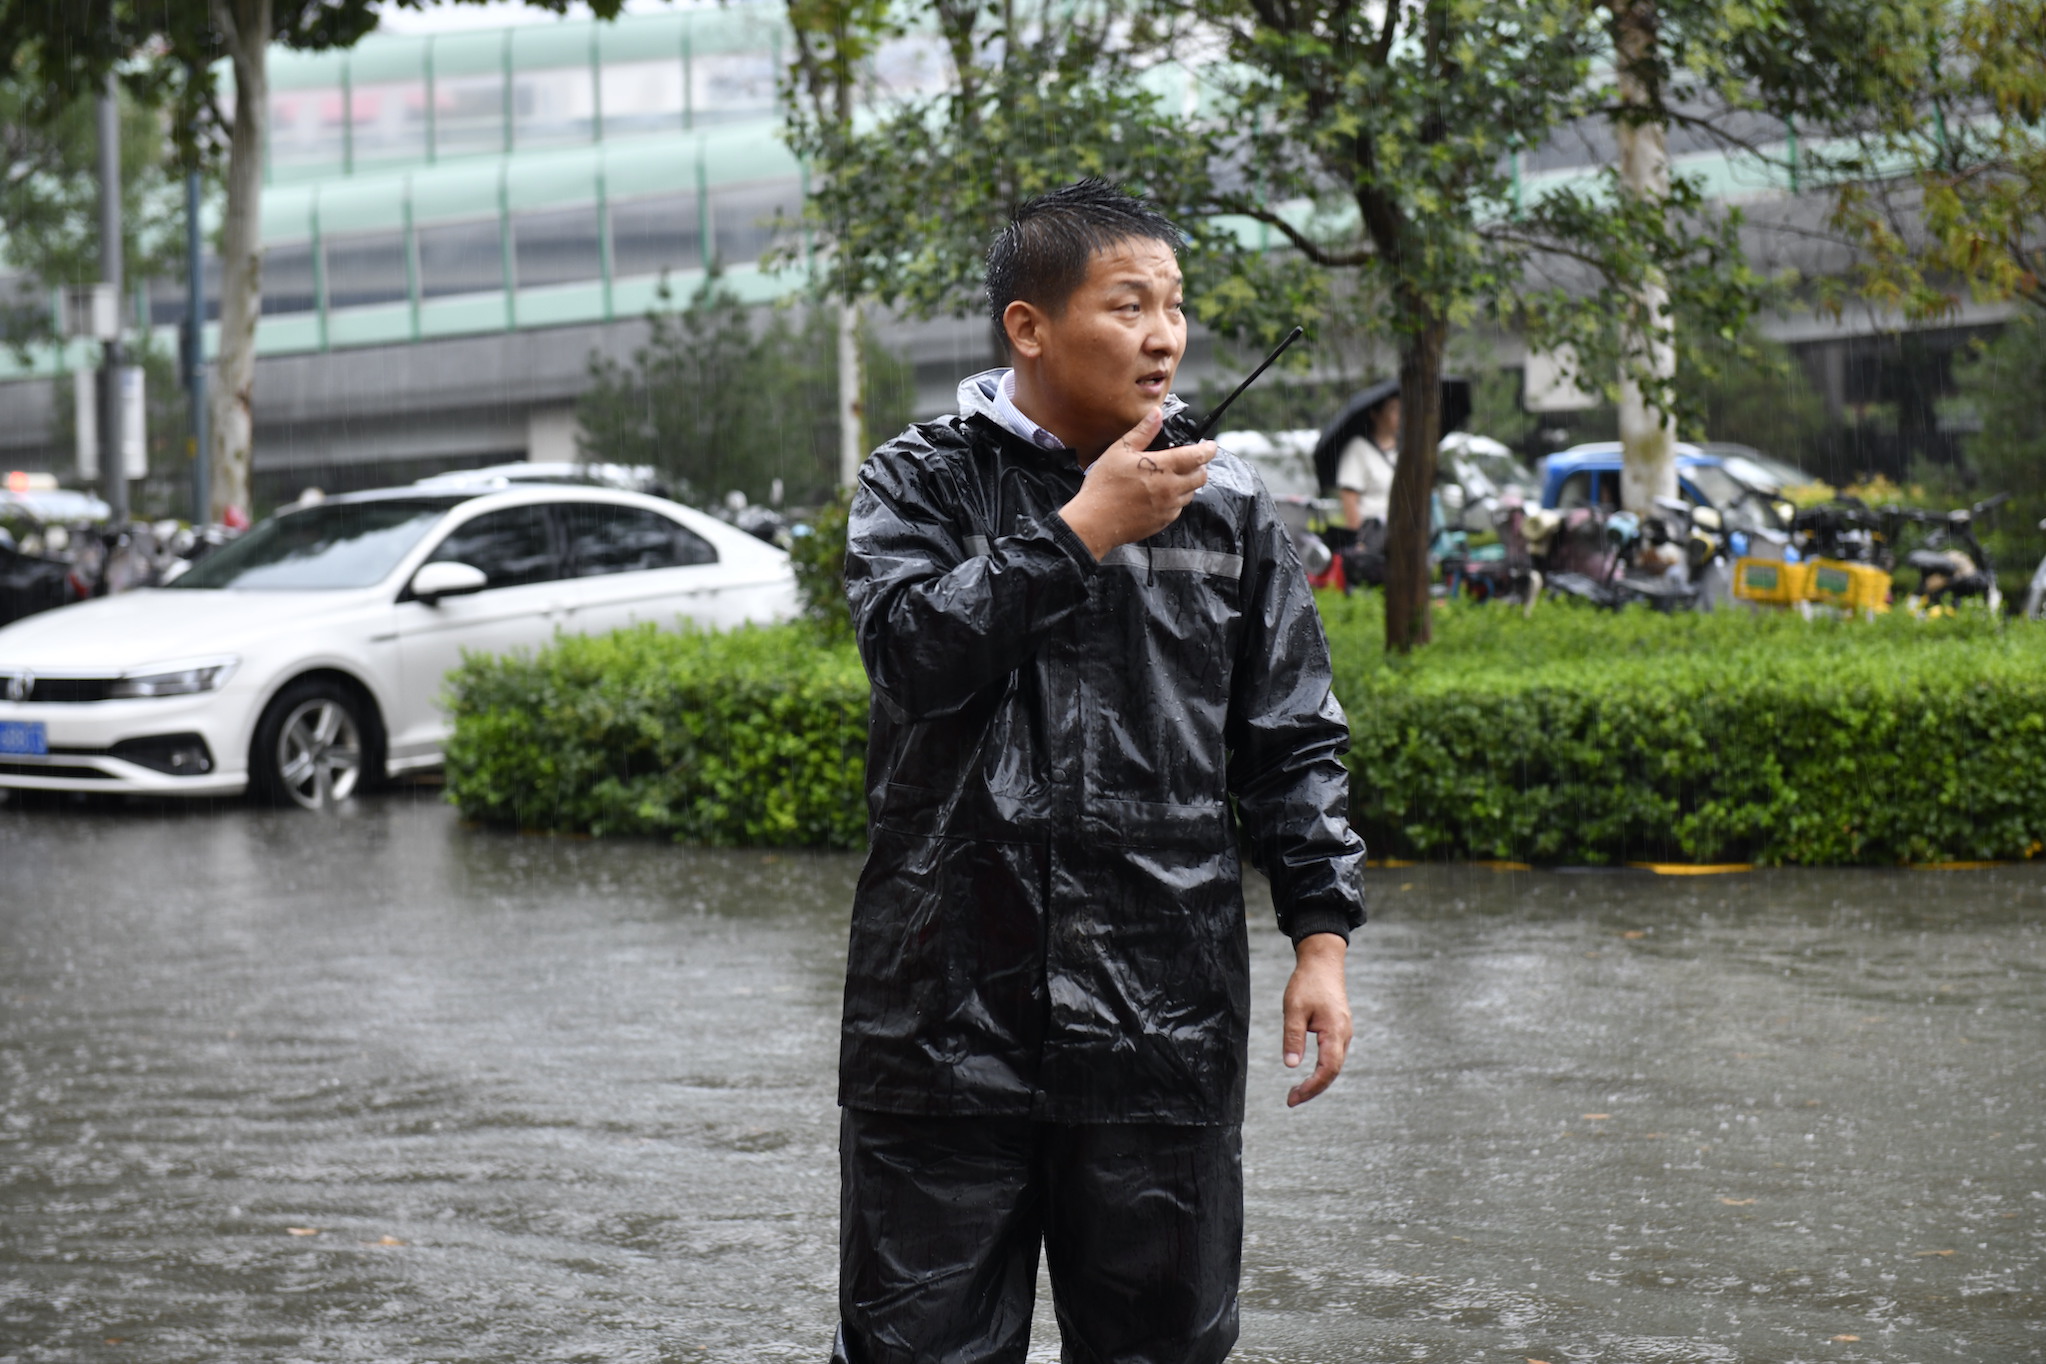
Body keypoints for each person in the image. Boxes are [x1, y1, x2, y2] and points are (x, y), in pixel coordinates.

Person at [835, 178, 1368, 1364]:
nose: (1164, 335)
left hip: (1162, 1017)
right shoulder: (919, 482)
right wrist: (1082, 529)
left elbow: (1292, 737)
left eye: (1174, 304)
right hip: (938, 1021)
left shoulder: (1229, 506)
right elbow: (912, 654)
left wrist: (1321, 942)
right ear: (1029, 326)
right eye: (1130, 305)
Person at [1335, 391, 1400, 530]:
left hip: (1403, 530)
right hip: (1374, 531)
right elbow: (1349, 498)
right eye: (1393, 409)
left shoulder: (1406, 449)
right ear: (1375, 414)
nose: (1400, 414)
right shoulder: (1358, 448)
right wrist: (1358, 537)